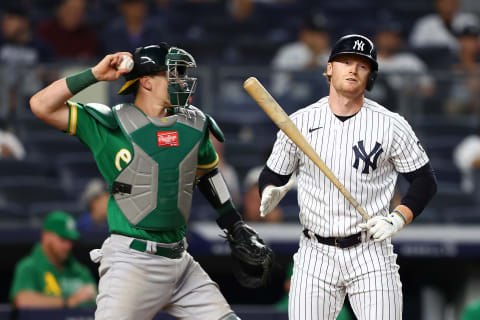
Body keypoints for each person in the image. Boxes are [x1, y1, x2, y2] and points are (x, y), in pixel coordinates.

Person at [29, 42, 273, 319]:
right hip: (132, 261)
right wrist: (95, 74)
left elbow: (207, 174)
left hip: (181, 262)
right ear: (146, 81)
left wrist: (234, 223)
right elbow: (40, 105)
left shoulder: (194, 124)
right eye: (174, 74)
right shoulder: (110, 123)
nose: (182, 81)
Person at [258, 34, 438, 319]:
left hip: (371, 250)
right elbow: (272, 173)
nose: (353, 69)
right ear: (329, 68)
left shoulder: (391, 124)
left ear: (371, 77)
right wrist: (270, 189)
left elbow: (425, 181)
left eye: (362, 65)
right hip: (315, 253)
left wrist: (398, 217)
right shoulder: (300, 121)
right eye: (345, 61)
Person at [10, 211, 96, 308]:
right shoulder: (28, 267)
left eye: (71, 241)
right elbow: (22, 300)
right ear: (45, 236)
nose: (68, 246)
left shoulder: (80, 271)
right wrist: (69, 301)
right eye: (63, 239)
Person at [271, 12, 330, 96]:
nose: (318, 38)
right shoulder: (288, 52)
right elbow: (279, 87)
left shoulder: (333, 55)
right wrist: (310, 64)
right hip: (292, 102)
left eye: (321, 34)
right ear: (303, 34)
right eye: (313, 33)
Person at [409, 0, 479, 53]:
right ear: (437, 4)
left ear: (457, 3)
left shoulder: (469, 20)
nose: (448, 5)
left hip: (463, 60)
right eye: (444, 2)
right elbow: (416, 47)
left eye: (451, 2)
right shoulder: (425, 23)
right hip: (434, 62)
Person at [445, 23, 480, 114]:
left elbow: (474, 89)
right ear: (460, 41)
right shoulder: (448, 59)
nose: (469, 44)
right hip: (453, 108)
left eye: (473, 40)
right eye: (466, 39)